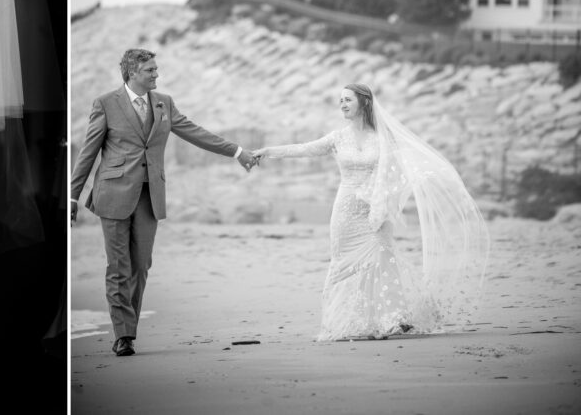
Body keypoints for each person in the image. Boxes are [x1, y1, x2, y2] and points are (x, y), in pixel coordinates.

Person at [253, 83, 489, 341]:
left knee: (383, 256)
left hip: (376, 209)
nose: (342, 104)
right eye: (340, 100)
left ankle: (394, 319)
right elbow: (302, 148)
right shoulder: (337, 138)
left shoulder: (384, 138)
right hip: (346, 210)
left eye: (348, 100)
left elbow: (406, 165)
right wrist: (268, 152)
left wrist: (414, 183)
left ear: (364, 102)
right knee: (345, 263)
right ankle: (346, 320)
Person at [70, 48, 256, 356]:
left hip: (150, 196)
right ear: (132, 73)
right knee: (118, 266)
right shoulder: (105, 104)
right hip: (113, 194)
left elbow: (194, 132)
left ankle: (129, 328)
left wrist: (237, 152)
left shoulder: (164, 102)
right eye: (150, 70)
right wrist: (73, 194)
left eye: (156, 69)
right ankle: (124, 335)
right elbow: (88, 152)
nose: (157, 74)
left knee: (141, 265)